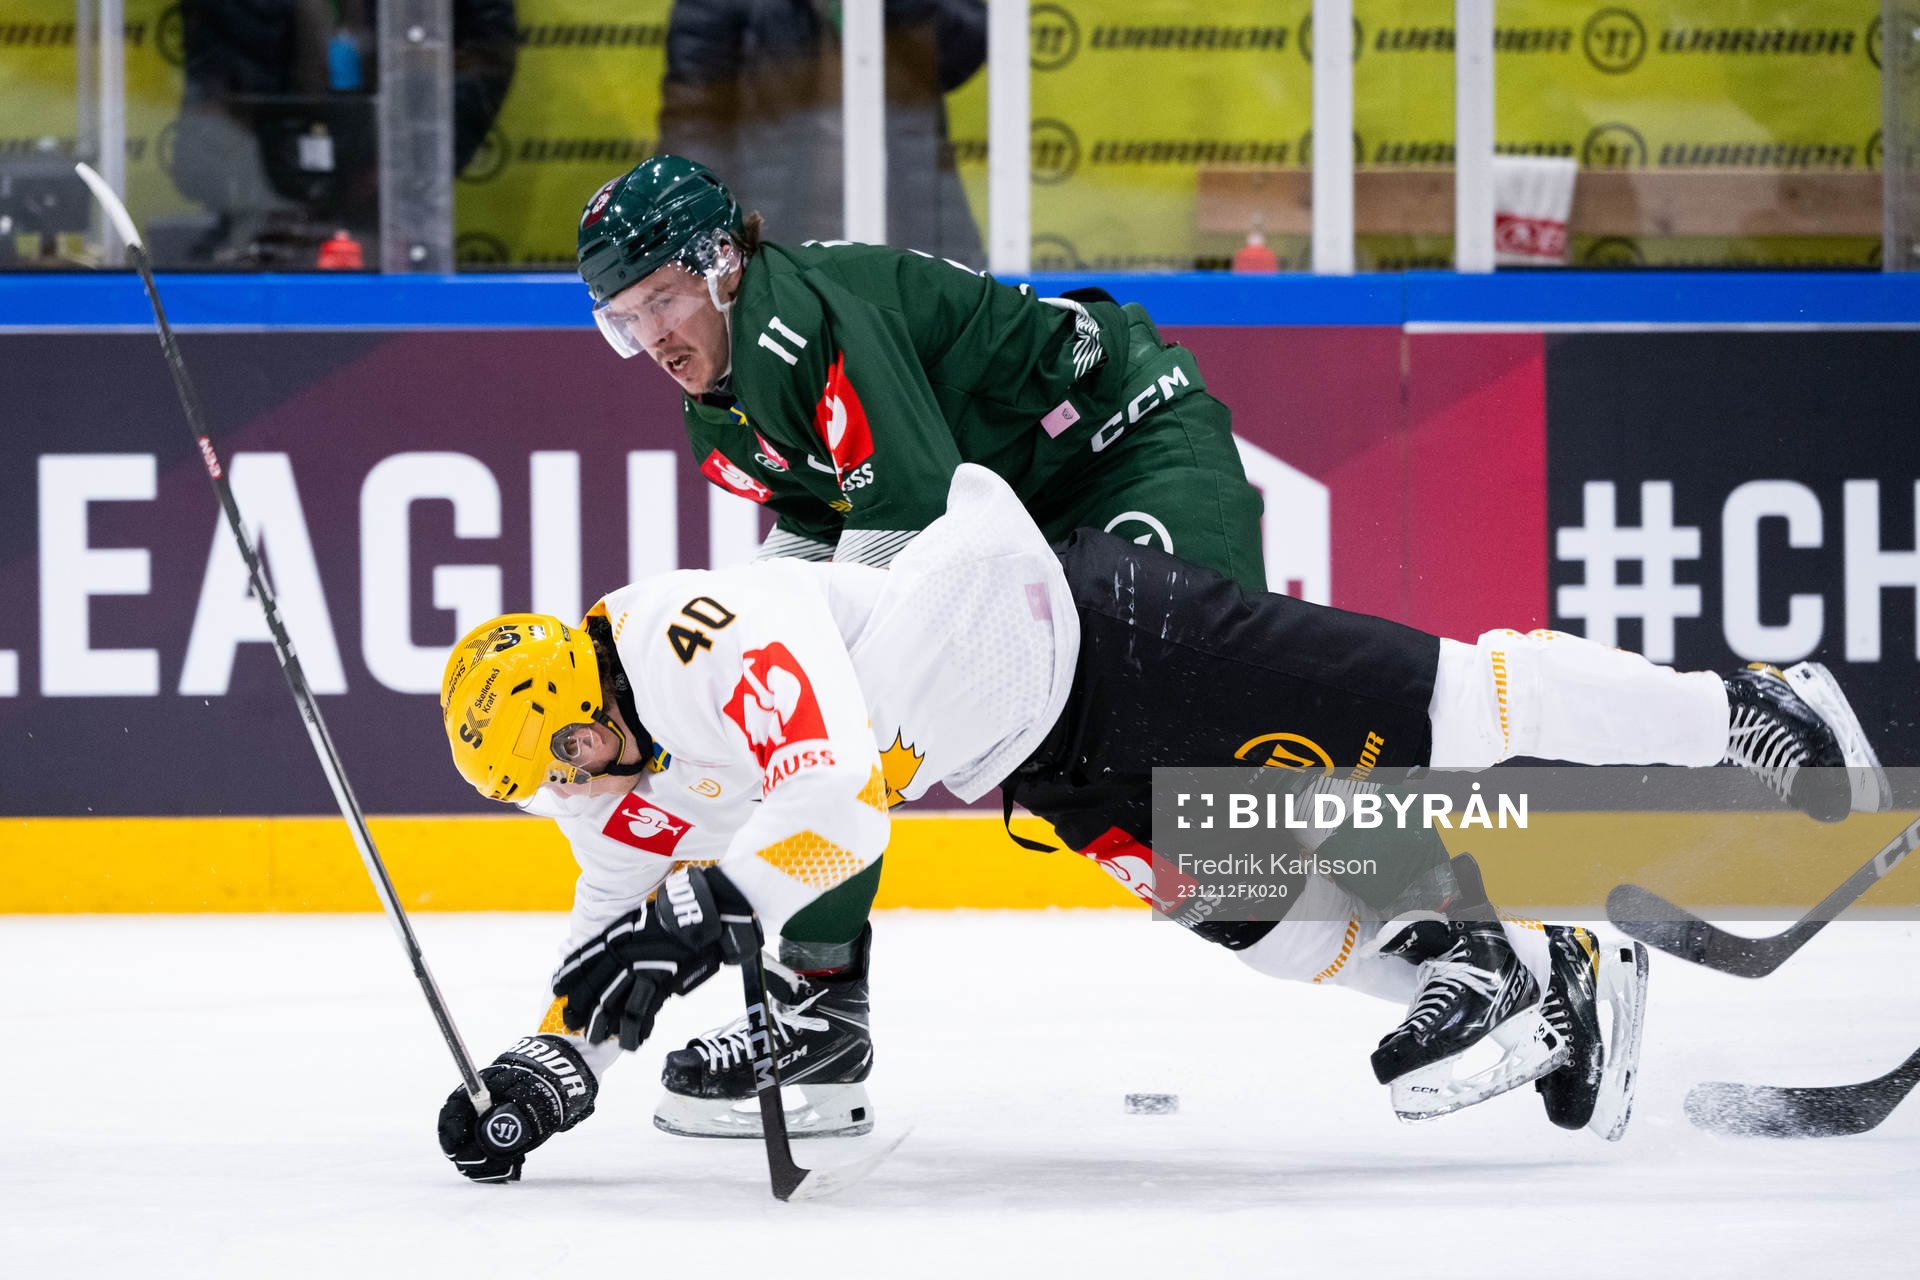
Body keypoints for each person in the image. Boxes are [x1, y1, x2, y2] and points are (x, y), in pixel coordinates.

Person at [433, 465, 1888, 1181]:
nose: (579, 784)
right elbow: (612, 929)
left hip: (1103, 639)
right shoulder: (610, 773)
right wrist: (552, 1064)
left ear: (581, 683)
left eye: (570, 750)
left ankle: (1742, 711)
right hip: (1051, 760)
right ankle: (1546, 974)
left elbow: (838, 816)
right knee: (1265, 919)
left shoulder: (702, 633)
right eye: (553, 780)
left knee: (1451, 707)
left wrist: (707, 911)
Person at [575, 154, 1271, 1139]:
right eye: (626, 317)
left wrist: (779, 706)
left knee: (1202, 741)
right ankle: (820, 1017)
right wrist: (728, 683)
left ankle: (1523, 876)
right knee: (1168, 824)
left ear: (722, 260)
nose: (652, 337)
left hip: (1124, 449)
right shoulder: (720, 405)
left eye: (661, 299)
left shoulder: (806, 323)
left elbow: (906, 539)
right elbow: (808, 551)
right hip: (1024, 511)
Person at [659, 0, 987, 266]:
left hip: (910, 221)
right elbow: (696, 116)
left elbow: (963, 49)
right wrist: (708, 240)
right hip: (775, 233)